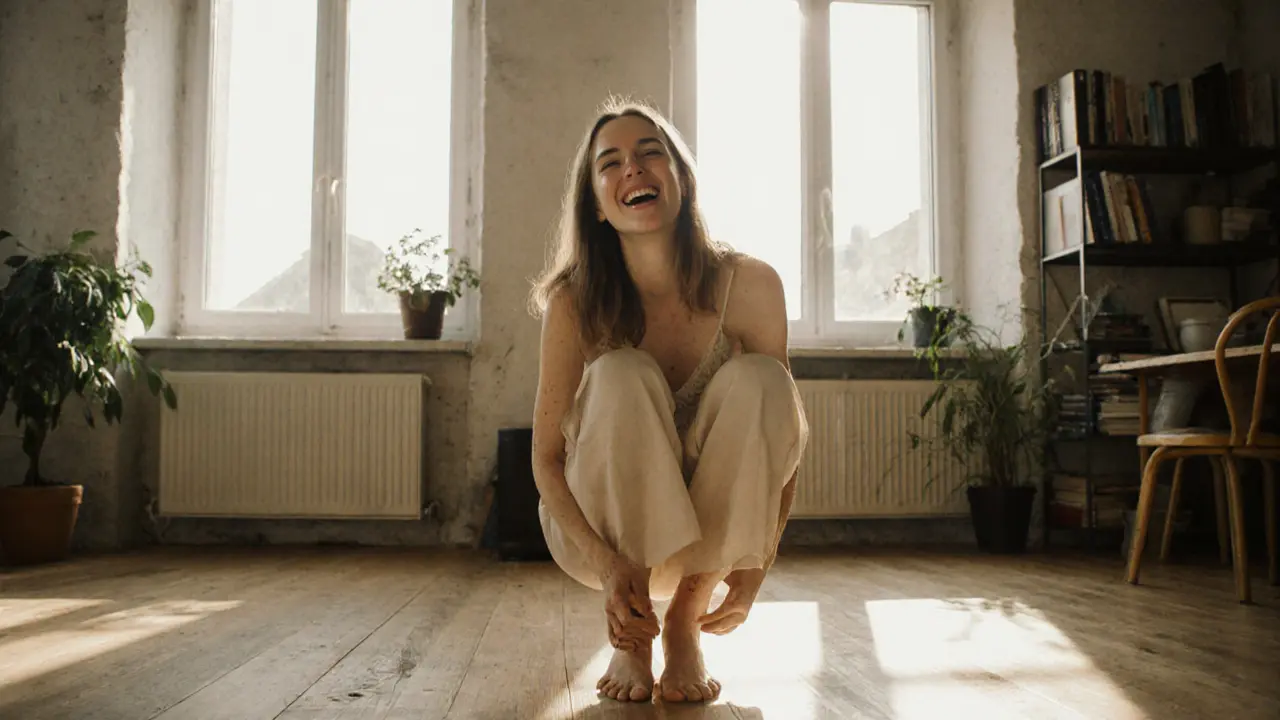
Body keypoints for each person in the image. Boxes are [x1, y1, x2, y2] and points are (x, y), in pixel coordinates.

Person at [527, 97, 809, 705]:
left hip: (707, 541)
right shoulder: (572, 302)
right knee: (621, 373)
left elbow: (782, 436)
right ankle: (630, 639)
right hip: (600, 540)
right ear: (597, 205)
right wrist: (608, 566)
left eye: (651, 152)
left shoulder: (751, 284)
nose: (633, 167)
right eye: (611, 162)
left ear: (682, 180)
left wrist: (759, 557)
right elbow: (546, 460)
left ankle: (683, 623)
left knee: (762, 379)